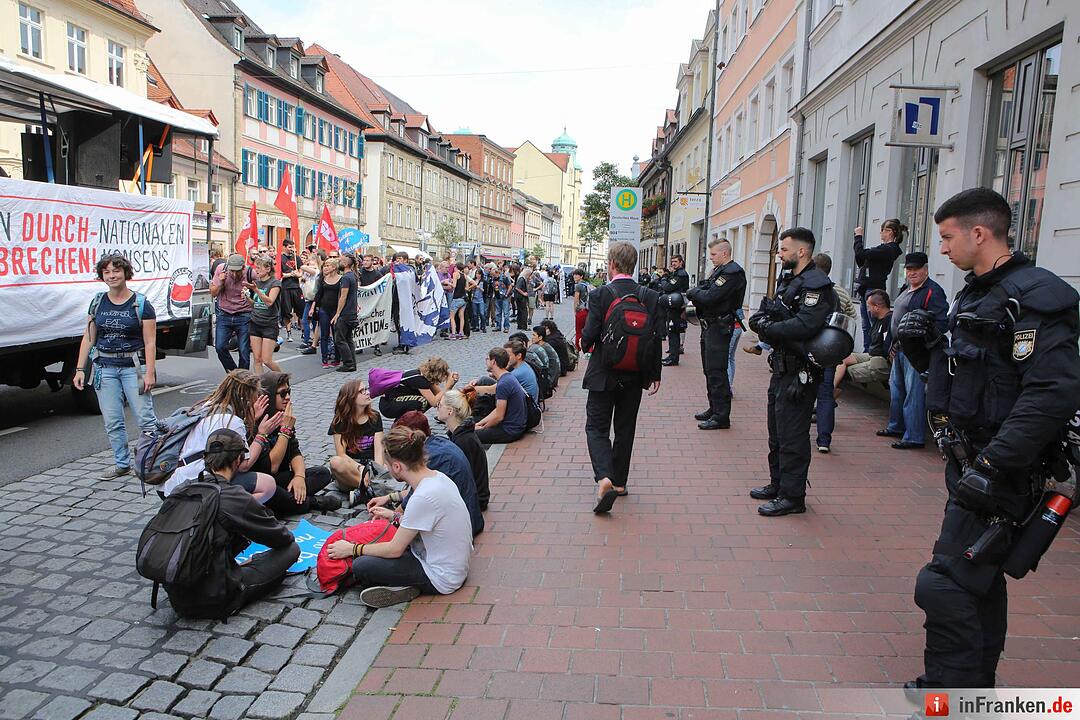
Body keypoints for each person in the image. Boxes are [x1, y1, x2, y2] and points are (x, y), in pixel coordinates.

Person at [897, 187, 1080, 690]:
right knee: (978, 579)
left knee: (944, 582)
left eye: (948, 237)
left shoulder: (1036, 297)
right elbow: (968, 379)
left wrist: (994, 467)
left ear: (979, 233)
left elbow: (1050, 394)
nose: (942, 249)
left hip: (1003, 470)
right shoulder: (977, 292)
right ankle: (974, 689)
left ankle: (948, 693)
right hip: (971, 461)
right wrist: (921, 351)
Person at [326, 426, 473, 608]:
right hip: (453, 565)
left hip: (442, 577)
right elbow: (424, 523)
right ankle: (405, 584)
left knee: (361, 566)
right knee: (379, 548)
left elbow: (394, 549)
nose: (387, 469)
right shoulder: (438, 478)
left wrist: (352, 549)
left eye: (388, 465)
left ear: (397, 466)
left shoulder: (423, 496)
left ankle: (409, 586)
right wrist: (393, 516)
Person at [747, 228, 837, 516]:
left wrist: (767, 328)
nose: (779, 254)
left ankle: (792, 496)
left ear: (802, 251)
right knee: (777, 431)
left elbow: (804, 325)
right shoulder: (791, 281)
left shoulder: (816, 285)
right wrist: (765, 323)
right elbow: (768, 312)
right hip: (782, 367)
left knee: (793, 436)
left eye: (784, 249)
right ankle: (778, 484)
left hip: (801, 372)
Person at [164, 428, 299, 618]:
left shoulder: (182, 488)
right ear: (238, 460)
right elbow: (281, 538)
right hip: (216, 597)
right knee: (292, 550)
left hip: (176, 594)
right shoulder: (233, 495)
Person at [581, 242, 664, 514]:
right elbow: (656, 337)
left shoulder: (601, 294)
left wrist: (584, 343)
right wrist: (655, 374)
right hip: (635, 374)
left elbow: (589, 336)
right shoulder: (649, 295)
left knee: (596, 427)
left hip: (603, 373)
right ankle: (619, 483)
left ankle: (604, 477)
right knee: (625, 429)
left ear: (612, 264)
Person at [73, 254, 157, 480]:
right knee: (112, 421)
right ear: (102, 275)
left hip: (133, 368)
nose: (112, 276)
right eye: (107, 272)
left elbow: (150, 342)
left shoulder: (141, 304)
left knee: (146, 420)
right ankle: (122, 464)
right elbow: (89, 338)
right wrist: (80, 369)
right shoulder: (98, 302)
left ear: (125, 273)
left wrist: (150, 372)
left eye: (116, 271)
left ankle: (153, 462)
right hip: (104, 368)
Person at [162, 370, 281, 502]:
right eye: (255, 394)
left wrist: (250, 420)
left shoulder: (208, 406)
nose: (256, 398)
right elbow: (243, 465)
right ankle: (222, 513)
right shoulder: (232, 421)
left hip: (173, 478)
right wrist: (261, 434)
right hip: (192, 481)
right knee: (267, 485)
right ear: (246, 396)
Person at [879, 252, 948, 450]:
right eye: (909, 269)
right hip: (900, 348)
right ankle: (896, 426)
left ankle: (914, 436)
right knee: (897, 390)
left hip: (916, 352)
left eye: (916, 269)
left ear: (926, 270)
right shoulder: (906, 288)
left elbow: (942, 323)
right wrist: (892, 343)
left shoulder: (933, 291)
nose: (912, 273)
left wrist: (923, 341)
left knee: (913, 393)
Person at [253, 372, 340, 516]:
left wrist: (299, 476)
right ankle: (310, 502)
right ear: (268, 396)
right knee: (277, 493)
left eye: (289, 392)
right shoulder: (258, 422)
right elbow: (272, 467)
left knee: (322, 473)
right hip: (263, 481)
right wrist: (285, 430)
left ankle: (289, 501)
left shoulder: (284, 416)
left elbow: (295, 452)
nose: (287, 397)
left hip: (283, 478)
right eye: (282, 394)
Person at [686, 239, 746, 430]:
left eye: (713, 255)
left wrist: (693, 293)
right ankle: (714, 408)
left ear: (724, 254)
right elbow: (704, 289)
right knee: (709, 370)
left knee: (717, 371)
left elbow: (710, 296)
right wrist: (698, 292)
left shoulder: (732, 273)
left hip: (720, 326)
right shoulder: (720, 271)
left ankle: (721, 416)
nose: (710, 258)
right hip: (710, 325)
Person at [391, 412, 484, 535]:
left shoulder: (430, 457)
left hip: (463, 528)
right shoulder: (437, 442)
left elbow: (413, 499)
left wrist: (391, 518)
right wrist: (389, 498)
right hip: (470, 517)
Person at [809, 252, 857, 453]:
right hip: (831, 348)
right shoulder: (842, 292)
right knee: (826, 393)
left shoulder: (810, 289)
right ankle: (824, 440)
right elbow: (852, 317)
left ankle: (801, 433)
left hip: (812, 346)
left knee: (805, 391)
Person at [328, 378, 386, 507]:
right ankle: (373, 490)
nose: (367, 392)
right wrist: (361, 470)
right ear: (351, 397)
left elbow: (379, 449)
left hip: (371, 466)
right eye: (362, 391)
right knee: (335, 462)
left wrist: (378, 470)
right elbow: (341, 454)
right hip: (351, 468)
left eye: (366, 389)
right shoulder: (340, 421)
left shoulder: (374, 417)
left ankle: (365, 491)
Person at [854, 219, 905, 351]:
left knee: (872, 325)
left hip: (873, 288)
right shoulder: (884, 250)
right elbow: (861, 259)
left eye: (883, 230)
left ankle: (872, 351)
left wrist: (858, 236)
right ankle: (868, 351)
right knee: (867, 325)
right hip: (867, 288)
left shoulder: (888, 249)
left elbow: (861, 254)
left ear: (890, 232)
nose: (881, 233)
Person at [438, 389, 490, 511]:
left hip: (475, 500)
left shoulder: (463, 440)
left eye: (440, 405)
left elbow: (463, 477)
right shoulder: (461, 434)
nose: (437, 407)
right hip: (474, 496)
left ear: (450, 411)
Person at [467, 347, 528, 444]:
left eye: (487, 359)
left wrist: (481, 428)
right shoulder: (507, 377)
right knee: (469, 424)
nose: (486, 362)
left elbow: (499, 416)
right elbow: (497, 410)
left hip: (509, 431)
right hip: (513, 426)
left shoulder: (503, 384)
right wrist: (479, 423)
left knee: (466, 434)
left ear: (494, 361)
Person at [834, 289, 892, 391]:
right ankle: (829, 391)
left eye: (869, 307)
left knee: (846, 372)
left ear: (877, 307)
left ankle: (829, 396)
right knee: (839, 359)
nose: (868, 310)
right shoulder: (877, 320)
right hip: (871, 354)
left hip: (881, 359)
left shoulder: (890, 320)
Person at [210, 253, 254, 371]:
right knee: (220, 347)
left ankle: (243, 380)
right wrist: (220, 282)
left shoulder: (250, 273)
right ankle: (235, 374)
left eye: (237, 271)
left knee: (244, 350)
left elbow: (261, 289)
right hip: (225, 314)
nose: (234, 274)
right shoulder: (221, 270)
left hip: (244, 314)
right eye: (232, 271)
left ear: (243, 268)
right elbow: (213, 293)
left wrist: (252, 290)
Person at [378, 357, 458, 419]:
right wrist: (448, 386)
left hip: (394, 401)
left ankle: (412, 419)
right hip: (388, 405)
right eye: (444, 373)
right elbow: (434, 402)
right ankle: (402, 423)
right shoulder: (419, 379)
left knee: (427, 399)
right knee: (422, 402)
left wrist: (450, 385)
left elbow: (439, 396)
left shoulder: (425, 376)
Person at [245, 255, 282, 374]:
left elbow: (269, 302)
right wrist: (246, 297)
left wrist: (256, 290)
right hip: (255, 322)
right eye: (256, 268)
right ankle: (259, 388)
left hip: (269, 324)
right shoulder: (256, 283)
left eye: (259, 268)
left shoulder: (275, 283)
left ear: (268, 269)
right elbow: (255, 304)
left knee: (267, 360)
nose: (256, 270)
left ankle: (283, 379)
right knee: (257, 359)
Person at [658, 254, 691, 365]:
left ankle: (673, 358)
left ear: (681, 262)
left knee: (673, 332)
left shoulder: (681, 274)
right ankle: (671, 355)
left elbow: (667, 287)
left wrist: (663, 279)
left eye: (675, 261)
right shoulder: (676, 274)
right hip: (673, 305)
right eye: (672, 261)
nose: (673, 263)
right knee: (671, 331)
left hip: (677, 307)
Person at [311, 256, 342, 368]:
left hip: (335, 309)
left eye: (328, 266)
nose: (325, 268)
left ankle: (337, 359)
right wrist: (312, 308)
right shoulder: (323, 279)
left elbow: (343, 295)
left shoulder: (341, 279)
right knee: (324, 335)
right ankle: (324, 360)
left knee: (336, 334)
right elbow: (318, 295)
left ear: (334, 267)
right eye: (325, 266)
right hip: (324, 309)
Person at [332, 254, 359, 372]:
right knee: (348, 339)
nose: (339, 262)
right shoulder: (353, 275)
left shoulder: (346, 278)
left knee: (340, 339)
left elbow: (343, 297)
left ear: (346, 264)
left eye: (341, 261)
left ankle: (348, 364)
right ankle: (352, 363)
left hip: (346, 313)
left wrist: (337, 313)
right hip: (351, 312)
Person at [278, 239, 303, 343]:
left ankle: (303, 332)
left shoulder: (296, 258)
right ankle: (289, 333)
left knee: (300, 310)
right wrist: (289, 274)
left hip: (296, 287)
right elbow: (279, 274)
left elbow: (301, 271)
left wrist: (298, 274)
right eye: (289, 247)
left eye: (293, 247)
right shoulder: (280, 258)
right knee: (287, 312)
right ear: (284, 247)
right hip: (285, 288)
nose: (292, 249)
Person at [572, 269, 590, 351]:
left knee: (579, 331)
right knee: (587, 330)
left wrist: (575, 311)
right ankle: (588, 348)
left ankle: (578, 349)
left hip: (581, 311)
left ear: (581, 276)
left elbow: (576, 300)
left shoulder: (578, 286)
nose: (574, 276)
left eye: (577, 275)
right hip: (588, 311)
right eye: (574, 274)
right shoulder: (588, 284)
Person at [448, 262, 467, 339]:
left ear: (456, 267)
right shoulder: (464, 275)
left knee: (452, 316)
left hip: (457, 298)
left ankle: (453, 333)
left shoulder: (455, 274)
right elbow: (466, 287)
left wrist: (448, 283)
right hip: (464, 298)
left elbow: (454, 286)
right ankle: (461, 332)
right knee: (461, 316)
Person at [493, 265, 512, 333]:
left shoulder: (504, 277)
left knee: (506, 313)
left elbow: (510, 286)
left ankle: (506, 327)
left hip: (504, 297)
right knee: (498, 312)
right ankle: (498, 326)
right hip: (497, 297)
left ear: (497, 273)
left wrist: (507, 294)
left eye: (494, 274)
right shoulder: (494, 279)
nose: (493, 276)